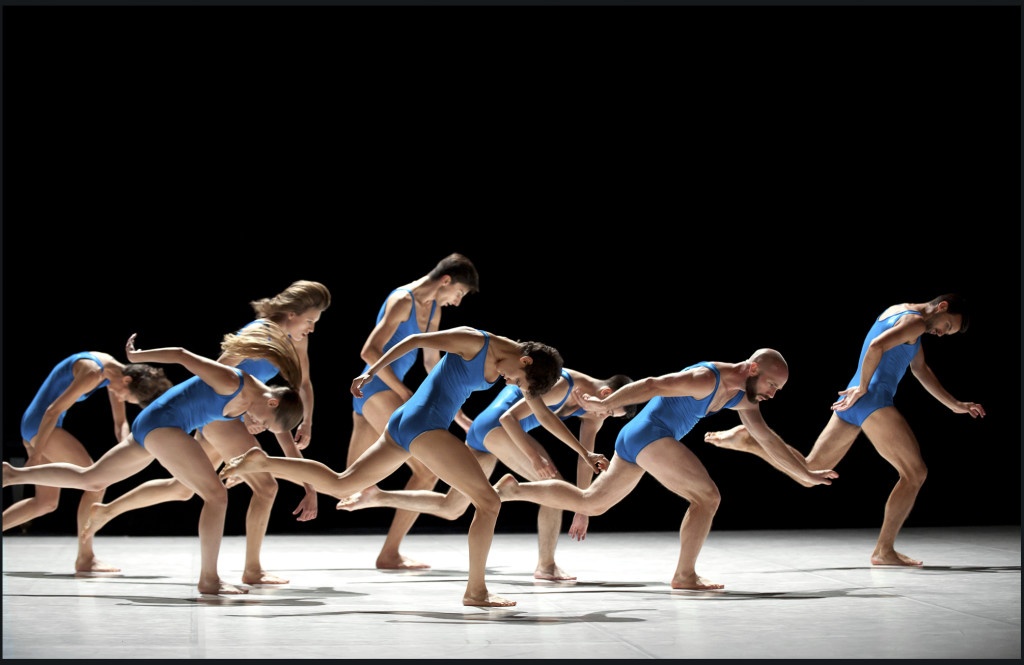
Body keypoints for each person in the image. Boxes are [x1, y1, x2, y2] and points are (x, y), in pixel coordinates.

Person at [219, 326, 603, 607]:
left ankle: (263, 460)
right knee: (488, 502)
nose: (510, 382)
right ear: (523, 359)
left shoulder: (517, 367)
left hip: (409, 421)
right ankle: (476, 591)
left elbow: (542, 413)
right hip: (424, 423)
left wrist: (584, 454)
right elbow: (415, 341)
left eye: (515, 382)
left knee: (342, 482)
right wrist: (371, 372)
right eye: (515, 377)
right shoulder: (476, 341)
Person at [493, 349, 839, 591]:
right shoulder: (706, 378)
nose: (772, 394)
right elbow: (653, 384)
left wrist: (805, 473)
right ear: (752, 369)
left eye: (776, 389)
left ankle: (514, 490)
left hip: (640, 438)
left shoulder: (744, 398)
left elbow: (767, 440)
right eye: (771, 385)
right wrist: (605, 403)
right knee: (707, 497)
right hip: (650, 434)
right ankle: (685, 575)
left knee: (592, 502)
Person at [2, 326, 304, 596]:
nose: (261, 427)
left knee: (91, 478)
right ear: (272, 401)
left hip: (155, 423)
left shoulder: (252, 402)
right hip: (164, 424)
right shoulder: (233, 381)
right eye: (267, 423)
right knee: (215, 495)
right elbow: (183, 355)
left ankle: (12, 474)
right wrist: (136, 356)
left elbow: (233, 434)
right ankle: (209, 579)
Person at [78, 280, 332, 585]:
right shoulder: (258, 333)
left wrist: (307, 421)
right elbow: (217, 375)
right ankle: (250, 570)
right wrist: (244, 416)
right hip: (223, 413)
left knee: (184, 489)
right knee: (262, 487)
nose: (312, 329)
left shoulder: (294, 338)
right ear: (292, 313)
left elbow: (301, 384)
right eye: (310, 321)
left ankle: (107, 510)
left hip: (241, 411)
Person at [703, 294, 985, 567]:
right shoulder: (915, 323)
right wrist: (863, 388)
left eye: (948, 333)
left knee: (810, 473)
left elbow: (920, 369)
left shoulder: (900, 311)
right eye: (946, 326)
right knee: (915, 473)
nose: (941, 333)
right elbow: (875, 346)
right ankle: (884, 550)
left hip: (854, 401)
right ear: (941, 307)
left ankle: (751, 441)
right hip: (871, 398)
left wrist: (954, 404)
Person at [337, 367, 634, 581]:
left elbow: (586, 461)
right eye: (607, 411)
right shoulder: (562, 382)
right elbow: (508, 417)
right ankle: (546, 565)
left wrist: (581, 508)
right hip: (495, 427)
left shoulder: (592, 412)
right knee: (551, 486)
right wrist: (534, 457)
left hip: (486, 432)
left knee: (452, 507)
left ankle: (377, 496)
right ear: (605, 393)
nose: (603, 416)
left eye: (609, 416)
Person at [348, 252, 480, 570]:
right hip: (378, 389)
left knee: (347, 481)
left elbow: (431, 362)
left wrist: (457, 412)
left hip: (381, 394)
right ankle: (390, 553)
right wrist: (403, 392)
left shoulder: (433, 308)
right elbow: (369, 351)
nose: (457, 302)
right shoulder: (402, 300)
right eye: (459, 293)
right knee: (427, 470)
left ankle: (260, 466)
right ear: (446, 280)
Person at [2, 352, 172, 573]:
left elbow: (120, 424)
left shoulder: (114, 375)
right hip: (42, 423)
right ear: (127, 381)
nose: (120, 398)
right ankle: (86, 558)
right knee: (96, 482)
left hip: (39, 424)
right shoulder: (93, 372)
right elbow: (53, 410)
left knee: (45, 503)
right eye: (126, 396)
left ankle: (86, 558)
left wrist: (129, 446)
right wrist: (36, 454)